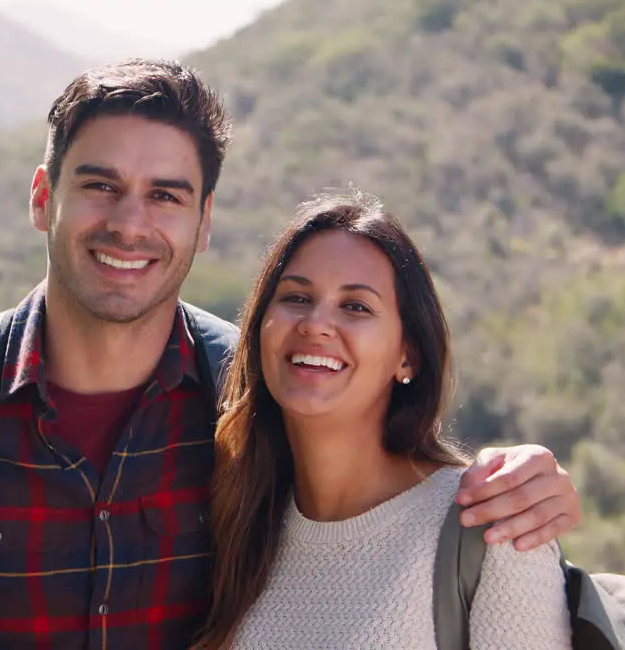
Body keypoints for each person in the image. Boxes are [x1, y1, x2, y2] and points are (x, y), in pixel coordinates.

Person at [0, 58, 582, 649]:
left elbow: (376, 494)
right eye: (100, 185)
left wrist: (521, 480)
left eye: (166, 195)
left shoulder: (260, 407)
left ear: (204, 225)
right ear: (41, 198)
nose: (131, 223)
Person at [195, 189, 572, 649]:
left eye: (356, 306)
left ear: (408, 356)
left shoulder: (493, 523)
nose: (316, 324)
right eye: (296, 297)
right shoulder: (234, 525)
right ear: (259, 329)